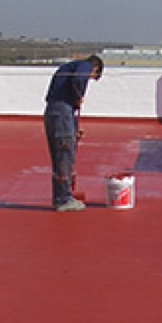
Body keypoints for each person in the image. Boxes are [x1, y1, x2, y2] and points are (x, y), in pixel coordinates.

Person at [43, 54, 104, 212]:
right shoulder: (85, 65)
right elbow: (78, 79)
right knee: (64, 155)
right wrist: (79, 96)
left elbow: (69, 106)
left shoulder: (68, 68)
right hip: (62, 113)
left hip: (53, 112)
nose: (89, 79)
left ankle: (60, 196)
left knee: (59, 156)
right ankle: (63, 199)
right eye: (92, 77)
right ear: (95, 68)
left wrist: (75, 127)